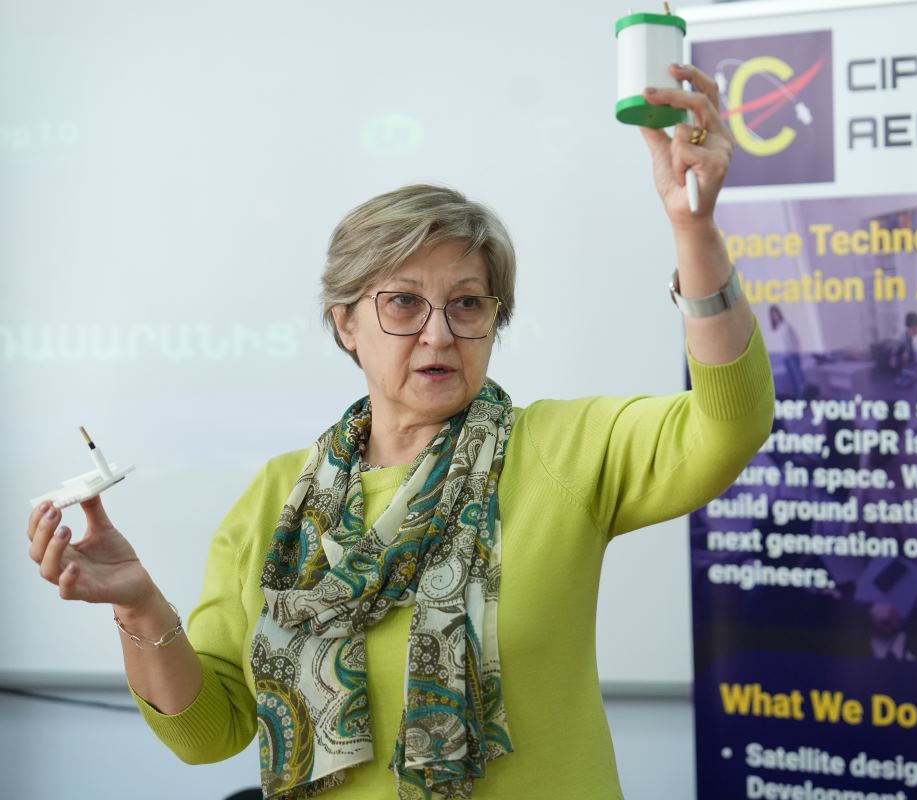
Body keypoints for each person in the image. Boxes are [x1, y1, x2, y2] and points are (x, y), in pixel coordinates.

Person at [25, 65, 773, 800]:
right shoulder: (275, 500)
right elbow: (210, 733)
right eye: (404, 303)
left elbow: (728, 422)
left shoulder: (560, 448)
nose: (439, 334)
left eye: (469, 304)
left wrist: (693, 229)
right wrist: (138, 604)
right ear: (345, 323)